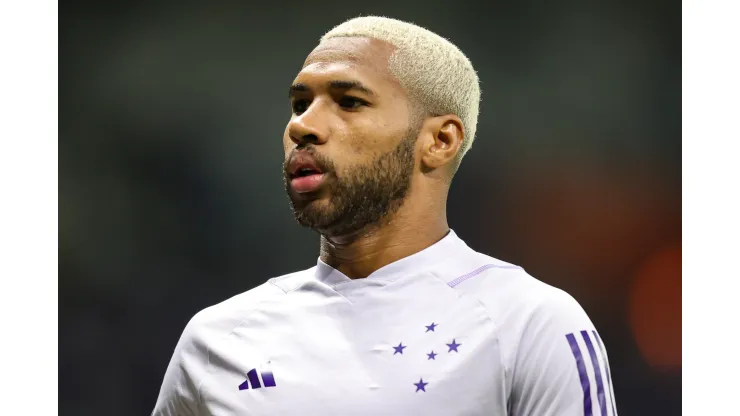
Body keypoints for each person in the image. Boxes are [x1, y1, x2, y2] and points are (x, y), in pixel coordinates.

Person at [152, 16, 618, 416]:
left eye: (349, 101)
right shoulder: (217, 340)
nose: (301, 125)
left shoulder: (528, 325)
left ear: (439, 141)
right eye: (299, 104)